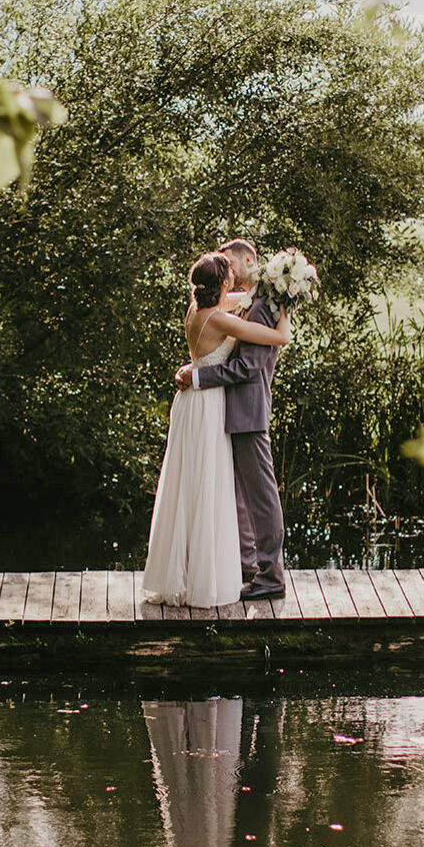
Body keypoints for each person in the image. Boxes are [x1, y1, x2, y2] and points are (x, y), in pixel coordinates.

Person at [144, 251, 291, 607]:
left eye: (230, 260)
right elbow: (280, 338)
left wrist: (285, 293)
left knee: (199, 488)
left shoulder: (198, 309)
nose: (232, 271)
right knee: (213, 489)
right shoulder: (224, 319)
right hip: (210, 405)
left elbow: (247, 304)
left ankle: (224, 571)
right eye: (225, 268)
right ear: (223, 282)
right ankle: (234, 572)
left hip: (199, 406)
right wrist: (285, 312)